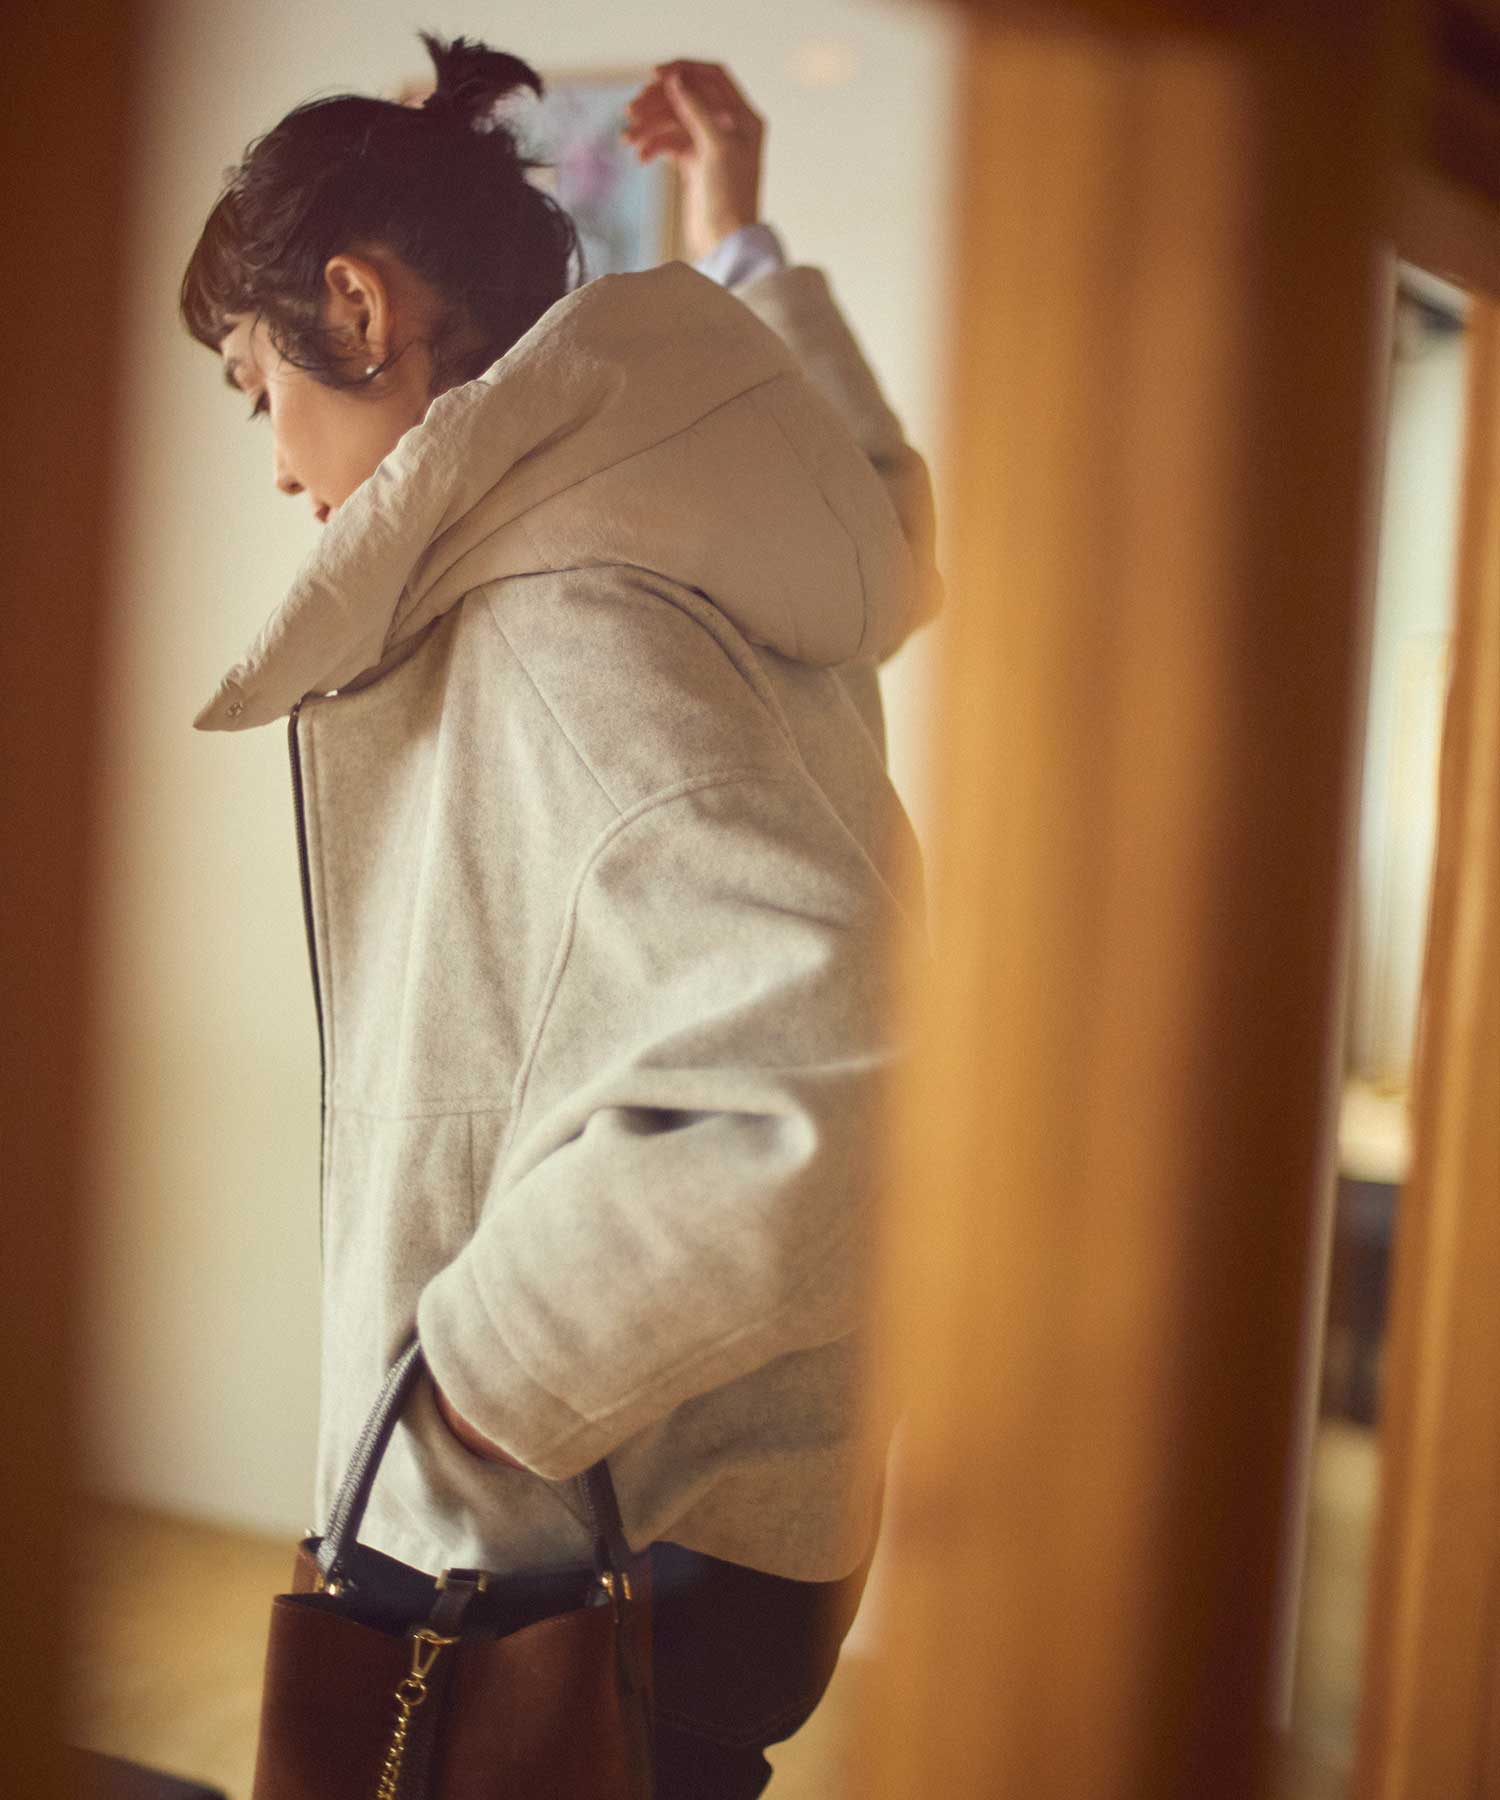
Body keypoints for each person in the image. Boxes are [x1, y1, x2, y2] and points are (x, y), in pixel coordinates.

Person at [183, 34, 940, 1798]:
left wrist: (482, 1375)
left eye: (252, 384)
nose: (276, 466)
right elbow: (871, 494)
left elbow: (834, 1070)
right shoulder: (707, 511)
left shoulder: (559, 616)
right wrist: (741, 235)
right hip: (731, 1511)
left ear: (357, 308)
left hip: (559, 1535)